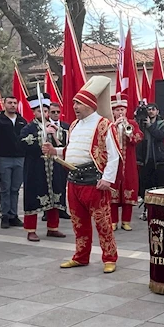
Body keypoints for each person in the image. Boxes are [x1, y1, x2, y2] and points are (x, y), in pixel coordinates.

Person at [42, 76, 120, 273]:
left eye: (78, 103)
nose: (75, 107)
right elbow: (72, 151)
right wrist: (55, 151)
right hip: (74, 180)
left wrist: (107, 178)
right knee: (79, 223)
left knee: (103, 222)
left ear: (89, 105)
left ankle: (109, 257)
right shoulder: (74, 125)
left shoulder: (105, 125)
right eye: (74, 103)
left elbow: (114, 155)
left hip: (94, 181)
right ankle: (81, 256)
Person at [19, 94, 67, 242]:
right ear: (34, 112)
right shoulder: (28, 128)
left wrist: (55, 133)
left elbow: (63, 142)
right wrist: (42, 134)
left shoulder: (55, 126)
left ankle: (53, 228)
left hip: (55, 167)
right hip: (35, 168)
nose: (44, 114)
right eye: (40, 111)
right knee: (33, 197)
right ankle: (31, 230)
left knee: (55, 196)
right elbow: (23, 143)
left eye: (46, 111)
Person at [0, 95, 27, 229]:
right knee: (5, 188)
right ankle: (4, 216)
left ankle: (13, 215)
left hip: (20, 158)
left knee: (15, 189)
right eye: (10, 102)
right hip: (3, 157)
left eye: (15, 103)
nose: (12, 105)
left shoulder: (22, 121)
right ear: (4, 104)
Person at [110, 96, 144, 231]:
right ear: (113, 111)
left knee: (128, 189)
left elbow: (138, 138)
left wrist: (128, 132)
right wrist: (115, 126)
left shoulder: (132, 123)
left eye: (122, 109)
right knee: (112, 191)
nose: (120, 112)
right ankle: (113, 221)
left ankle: (126, 221)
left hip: (129, 163)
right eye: (117, 110)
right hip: (113, 163)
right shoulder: (109, 124)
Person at [137, 103, 164, 200]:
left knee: (159, 187)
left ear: (157, 111)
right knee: (145, 187)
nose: (151, 111)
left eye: (153, 109)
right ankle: (146, 209)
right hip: (145, 159)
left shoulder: (161, 124)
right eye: (149, 109)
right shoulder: (141, 123)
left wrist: (150, 126)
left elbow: (161, 135)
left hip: (158, 160)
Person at [46, 102, 71, 220]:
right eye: (53, 112)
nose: (56, 114)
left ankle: (62, 208)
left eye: (58, 112)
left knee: (61, 184)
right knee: (48, 185)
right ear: (48, 113)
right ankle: (48, 211)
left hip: (62, 160)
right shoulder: (44, 126)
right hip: (48, 161)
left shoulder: (66, 126)